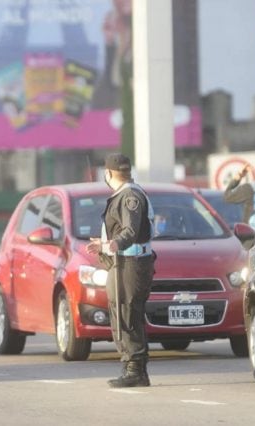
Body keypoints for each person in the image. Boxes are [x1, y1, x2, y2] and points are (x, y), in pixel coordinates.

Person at [85, 153, 155, 388]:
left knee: (127, 314)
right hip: (124, 263)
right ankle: (133, 367)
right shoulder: (127, 194)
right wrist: (106, 243)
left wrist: (109, 245)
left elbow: (130, 231)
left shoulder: (129, 196)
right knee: (124, 313)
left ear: (109, 173)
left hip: (130, 264)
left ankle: (135, 369)